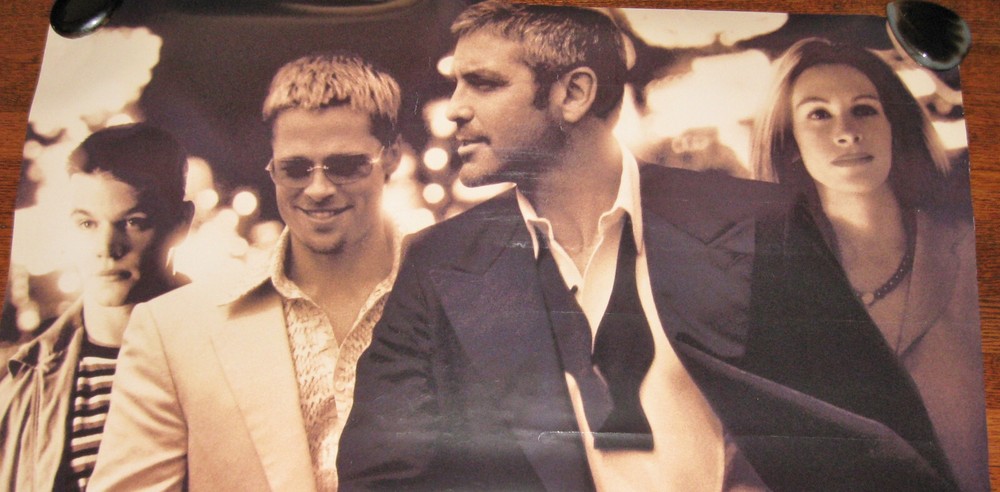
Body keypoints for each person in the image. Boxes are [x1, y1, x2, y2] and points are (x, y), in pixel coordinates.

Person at [338, 3, 956, 490]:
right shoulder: (437, 262)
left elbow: (878, 431)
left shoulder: (755, 221)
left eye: (483, 83)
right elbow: (383, 474)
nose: (454, 110)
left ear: (573, 94)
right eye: (457, 84)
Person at [89, 53, 402, 491]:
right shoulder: (172, 331)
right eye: (295, 169)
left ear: (392, 158)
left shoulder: (458, 298)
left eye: (345, 166)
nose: (318, 189)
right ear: (271, 166)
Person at [748, 38, 987, 492]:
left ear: (894, 125)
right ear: (791, 142)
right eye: (819, 114)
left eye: (864, 109)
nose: (847, 132)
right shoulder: (764, 287)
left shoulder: (975, 253)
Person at [0, 123, 193, 490]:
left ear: (181, 222)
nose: (107, 247)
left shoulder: (230, 355)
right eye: (87, 223)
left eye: (133, 222)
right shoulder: (21, 380)